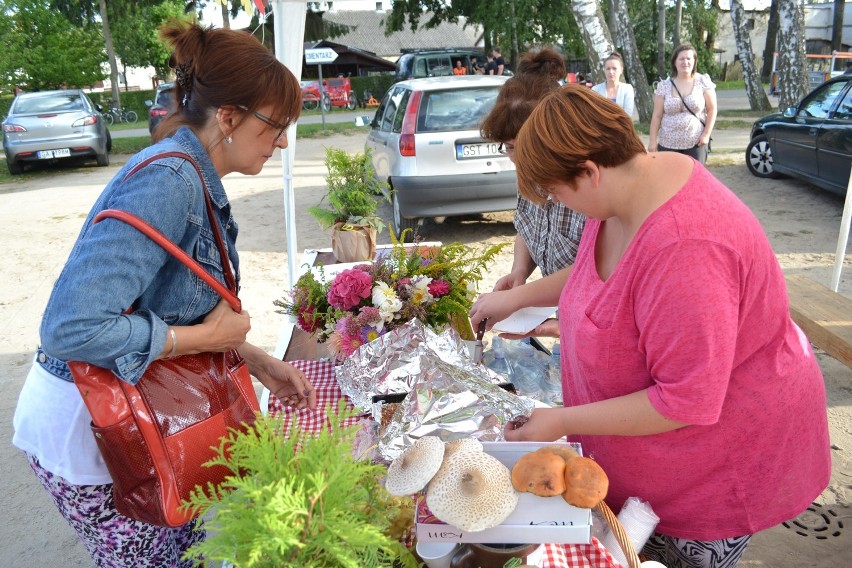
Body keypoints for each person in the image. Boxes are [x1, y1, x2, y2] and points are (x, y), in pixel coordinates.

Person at [469, 85, 831, 568]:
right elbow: (594, 273)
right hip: (653, 464)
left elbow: (687, 400)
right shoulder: (629, 187)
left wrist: (560, 420)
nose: (560, 206)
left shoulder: (688, 248)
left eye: (558, 193)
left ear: (590, 172)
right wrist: (514, 296)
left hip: (713, 468)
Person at [12, 21, 317, 568]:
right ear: (228, 117)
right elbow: (71, 328)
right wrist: (205, 337)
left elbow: (166, 303)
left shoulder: (191, 176)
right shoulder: (169, 181)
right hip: (96, 432)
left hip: (147, 416)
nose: (283, 142)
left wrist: (254, 358)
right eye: (276, 126)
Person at [480, 47, 585, 300]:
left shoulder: (588, 184)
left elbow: (593, 272)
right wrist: (519, 271)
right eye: (509, 148)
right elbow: (530, 227)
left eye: (524, 148)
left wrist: (517, 300)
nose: (519, 161)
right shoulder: (528, 170)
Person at [649, 43, 717, 164]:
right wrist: (653, 141)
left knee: (695, 180)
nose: (685, 62)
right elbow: (657, 115)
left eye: (688, 58)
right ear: (675, 62)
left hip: (695, 143)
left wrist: (706, 135)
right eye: (681, 59)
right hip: (668, 144)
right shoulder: (664, 86)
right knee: (671, 181)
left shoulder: (703, 81)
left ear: (694, 61)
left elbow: (712, 110)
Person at [592, 52, 635, 118]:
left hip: (622, 127)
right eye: (608, 69)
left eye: (614, 68)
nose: (611, 72)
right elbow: (594, 113)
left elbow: (628, 115)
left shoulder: (627, 89)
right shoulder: (595, 90)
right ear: (604, 70)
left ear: (621, 70)